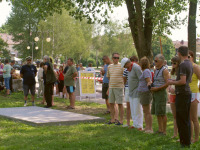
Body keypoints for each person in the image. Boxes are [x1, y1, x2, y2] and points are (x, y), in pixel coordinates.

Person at [168, 46, 193, 148]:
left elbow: (183, 81)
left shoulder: (183, 65)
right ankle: (186, 141)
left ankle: (184, 142)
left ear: (179, 53)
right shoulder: (190, 64)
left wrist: (172, 82)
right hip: (186, 93)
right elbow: (189, 80)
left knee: (181, 119)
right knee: (185, 118)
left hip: (182, 94)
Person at [121, 57, 143, 130]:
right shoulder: (129, 69)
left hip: (137, 91)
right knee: (133, 108)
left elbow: (141, 78)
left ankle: (139, 125)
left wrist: (140, 89)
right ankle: (134, 123)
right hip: (131, 91)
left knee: (137, 108)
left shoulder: (136, 67)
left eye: (125, 66)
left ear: (127, 63)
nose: (124, 68)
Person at [150, 54, 169, 135]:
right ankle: (160, 129)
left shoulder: (165, 70)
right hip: (155, 92)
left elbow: (168, 83)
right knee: (157, 112)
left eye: (156, 61)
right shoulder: (156, 69)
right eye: (154, 60)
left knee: (162, 113)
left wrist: (158, 88)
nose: (154, 62)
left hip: (161, 93)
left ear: (161, 61)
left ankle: (164, 131)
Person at [107, 53, 124, 125]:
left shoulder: (121, 66)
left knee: (120, 104)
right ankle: (112, 119)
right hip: (111, 87)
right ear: (112, 58)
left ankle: (121, 120)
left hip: (119, 87)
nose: (116, 59)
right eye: (115, 57)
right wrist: (109, 88)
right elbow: (109, 77)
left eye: (118, 58)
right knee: (111, 103)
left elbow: (124, 77)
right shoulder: (109, 66)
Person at [138, 57, 153, 133]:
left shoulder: (146, 71)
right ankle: (147, 127)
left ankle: (149, 128)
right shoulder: (144, 71)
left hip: (145, 93)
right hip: (142, 92)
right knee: (145, 111)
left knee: (147, 111)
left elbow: (149, 81)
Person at [188, 50, 200, 143]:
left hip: (194, 93)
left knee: (194, 117)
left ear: (192, 57)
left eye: (189, 57)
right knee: (188, 117)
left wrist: (198, 90)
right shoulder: (184, 66)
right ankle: (190, 137)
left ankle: (196, 138)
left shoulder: (195, 67)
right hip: (186, 93)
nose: (187, 59)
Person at [168, 56, 180, 138]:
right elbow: (170, 82)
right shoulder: (171, 72)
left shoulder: (181, 72)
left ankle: (180, 134)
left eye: (174, 63)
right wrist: (169, 88)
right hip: (172, 95)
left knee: (180, 115)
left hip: (178, 95)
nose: (172, 64)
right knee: (175, 116)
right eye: (171, 63)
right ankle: (175, 134)